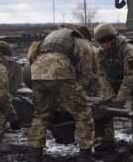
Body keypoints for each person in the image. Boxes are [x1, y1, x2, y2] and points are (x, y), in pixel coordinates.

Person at [27, 26, 98, 162]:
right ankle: (85, 156)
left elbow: (32, 56)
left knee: (41, 115)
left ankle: (36, 155)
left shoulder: (51, 37)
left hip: (36, 73)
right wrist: (78, 91)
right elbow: (87, 74)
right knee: (83, 114)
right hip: (61, 73)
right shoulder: (83, 43)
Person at [93, 23, 133, 154]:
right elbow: (102, 75)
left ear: (113, 38)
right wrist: (109, 96)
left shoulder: (128, 49)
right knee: (103, 106)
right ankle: (107, 139)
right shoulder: (99, 52)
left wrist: (120, 101)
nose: (103, 45)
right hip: (114, 81)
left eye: (106, 42)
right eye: (101, 43)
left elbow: (130, 77)